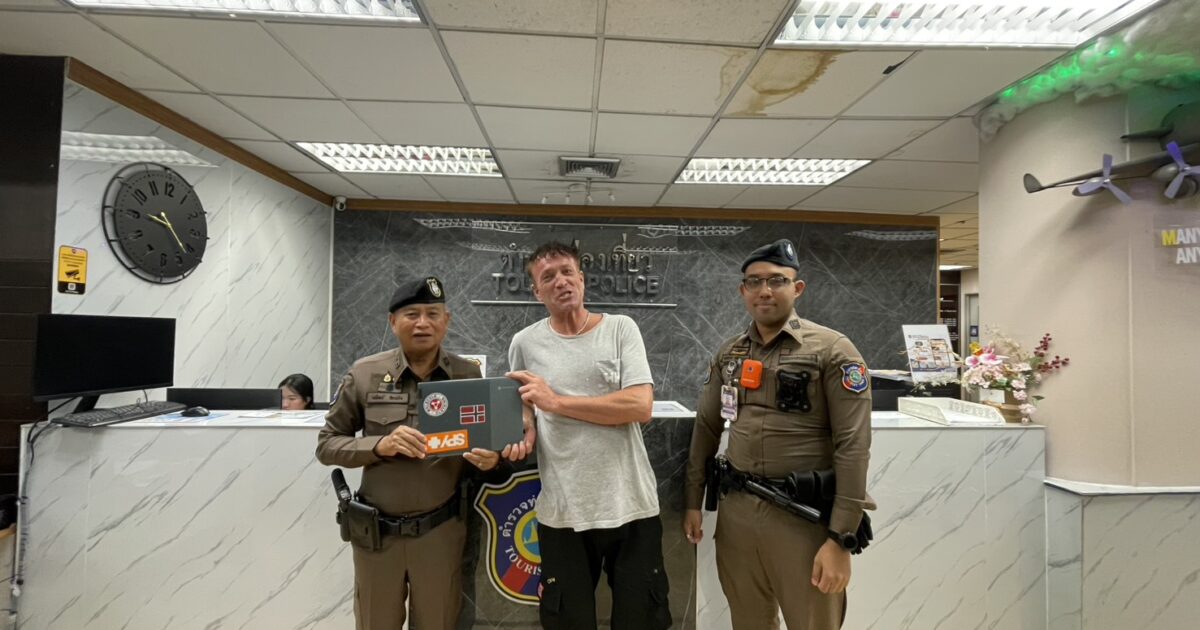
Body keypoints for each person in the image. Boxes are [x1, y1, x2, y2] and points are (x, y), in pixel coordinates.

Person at [683, 239, 874, 630]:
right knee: (748, 622)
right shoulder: (730, 354)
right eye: (754, 282)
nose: (764, 291)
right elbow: (706, 427)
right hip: (737, 516)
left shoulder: (833, 351)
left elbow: (853, 447)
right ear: (743, 291)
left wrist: (841, 539)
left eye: (776, 280)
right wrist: (692, 500)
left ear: (797, 288)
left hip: (802, 521)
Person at [316, 276, 515, 630]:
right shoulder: (365, 374)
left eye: (432, 314)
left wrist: (493, 460)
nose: (423, 323)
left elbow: (491, 452)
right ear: (393, 322)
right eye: (412, 314)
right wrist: (379, 445)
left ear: (446, 321)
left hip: (441, 534)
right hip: (378, 535)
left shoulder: (467, 376)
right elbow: (328, 444)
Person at [506, 241, 671, 630]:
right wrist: (525, 425)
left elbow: (640, 406)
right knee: (567, 621)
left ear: (581, 279)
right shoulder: (524, 343)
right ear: (537, 291)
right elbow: (522, 406)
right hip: (563, 511)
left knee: (641, 621)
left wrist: (556, 403)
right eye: (548, 277)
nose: (561, 282)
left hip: (631, 505)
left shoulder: (620, 329)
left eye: (567, 272)